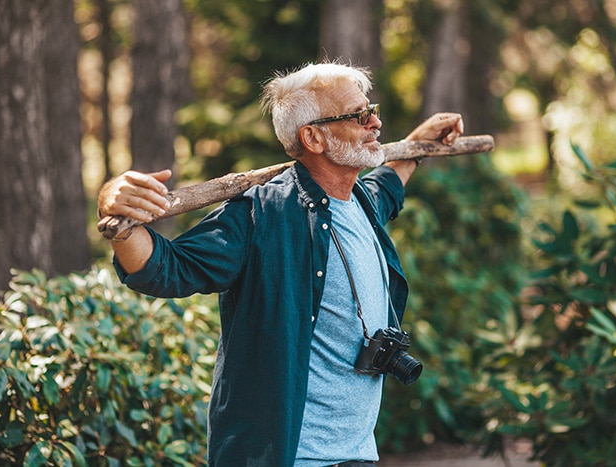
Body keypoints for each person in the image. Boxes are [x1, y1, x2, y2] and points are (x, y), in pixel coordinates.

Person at [97, 61, 464, 467]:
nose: (375, 122)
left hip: (357, 454)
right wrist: (119, 222)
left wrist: (416, 145)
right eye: (360, 115)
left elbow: (387, 188)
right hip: (287, 456)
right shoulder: (259, 216)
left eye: (372, 108)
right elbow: (166, 269)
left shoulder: (360, 201)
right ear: (314, 137)